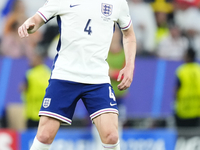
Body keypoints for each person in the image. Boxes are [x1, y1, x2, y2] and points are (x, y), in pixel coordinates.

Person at [18, 0, 136, 149]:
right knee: (44, 135)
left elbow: (129, 34)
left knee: (111, 136)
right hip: (65, 75)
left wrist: (130, 65)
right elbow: (37, 19)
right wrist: (30, 25)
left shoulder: (117, 3)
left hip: (97, 78)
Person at [20, 47, 51, 128]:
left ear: (38, 59)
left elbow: (23, 88)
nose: (30, 60)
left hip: (32, 114)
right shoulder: (48, 72)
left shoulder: (30, 74)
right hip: (46, 113)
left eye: (33, 58)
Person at [174, 48, 200, 127]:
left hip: (183, 109)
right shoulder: (198, 69)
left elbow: (176, 89)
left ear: (188, 57)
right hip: (197, 109)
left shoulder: (181, 70)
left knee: (182, 135)